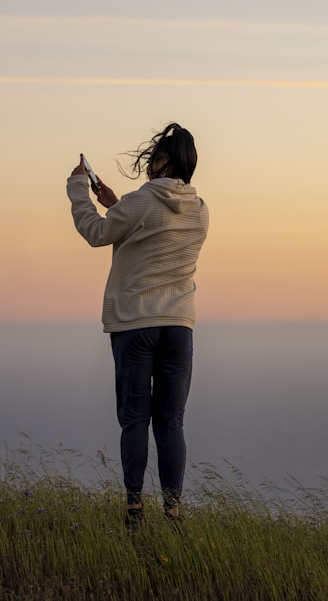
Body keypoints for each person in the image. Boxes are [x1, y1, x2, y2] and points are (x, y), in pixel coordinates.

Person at [66, 123, 209, 525]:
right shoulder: (201, 210)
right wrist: (116, 205)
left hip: (135, 324)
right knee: (171, 421)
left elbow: (96, 234)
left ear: (162, 160)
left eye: (154, 157)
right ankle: (174, 509)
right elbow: (156, 230)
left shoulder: (141, 202)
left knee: (135, 419)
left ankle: (133, 507)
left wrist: (80, 191)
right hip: (179, 326)